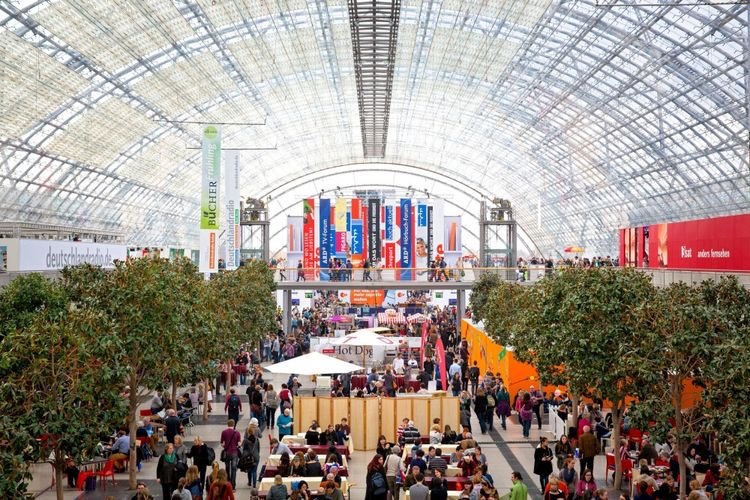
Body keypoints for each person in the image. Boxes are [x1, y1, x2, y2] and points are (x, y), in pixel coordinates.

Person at [220, 419, 241, 489]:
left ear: (227, 424)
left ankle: (227, 483)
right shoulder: (237, 433)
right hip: (234, 452)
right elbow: (239, 444)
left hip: (227, 453)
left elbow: (222, 444)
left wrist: (225, 446)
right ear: (234, 424)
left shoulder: (224, 432)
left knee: (227, 468)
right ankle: (233, 486)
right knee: (234, 469)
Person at [241, 423, 260, 488]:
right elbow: (258, 449)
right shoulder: (257, 440)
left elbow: (244, 449)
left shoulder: (245, 441)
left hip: (248, 457)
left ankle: (249, 482)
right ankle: (254, 485)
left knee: (249, 469)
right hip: (256, 456)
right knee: (254, 471)